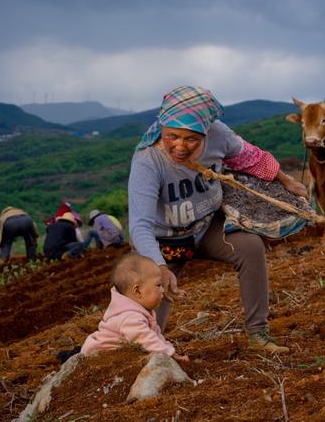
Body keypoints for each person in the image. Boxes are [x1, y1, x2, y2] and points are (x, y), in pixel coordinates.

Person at [128, 85, 308, 354]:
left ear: (205, 133)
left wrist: (287, 181)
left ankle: (258, 335)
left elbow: (251, 158)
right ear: (161, 129)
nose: (180, 146)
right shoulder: (148, 161)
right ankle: (147, 351)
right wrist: (159, 267)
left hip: (206, 227)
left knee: (250, 248)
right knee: (149, 321)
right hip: (162, 241)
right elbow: (140, 225)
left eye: (191, 139)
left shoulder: (219, 135)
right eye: (172, 136)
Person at [79, 253, 188, 361]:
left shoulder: (141, 311)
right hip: (96, 356)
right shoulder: (130, 317)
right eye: (158, 285)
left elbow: (155, 335)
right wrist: (169, 354)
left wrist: (170, 350)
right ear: (137, 291)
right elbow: (146, 339)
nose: (163, 290)